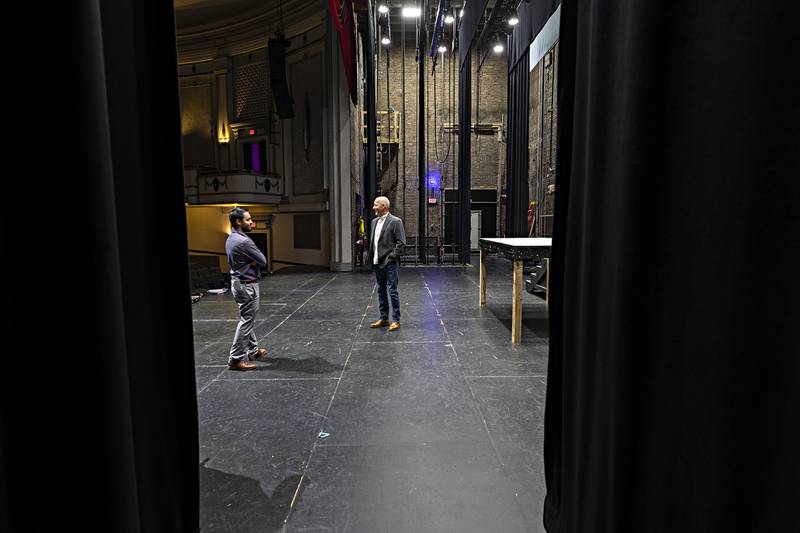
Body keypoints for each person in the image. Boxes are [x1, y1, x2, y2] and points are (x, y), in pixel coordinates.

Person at [225, 207, 268, 370]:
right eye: (248, 219)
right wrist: (252, 261)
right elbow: (263, 260)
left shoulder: (231, 238)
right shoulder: (244, 241)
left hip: (238, 283)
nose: (251, 222)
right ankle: (235, 359)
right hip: (246, 285)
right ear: (238, 221)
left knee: (246, 318)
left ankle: (253, 350)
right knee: (246, 321)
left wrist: (250, 262)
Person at [368, 196, 406, 331]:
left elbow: (401, 242)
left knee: (392, 290)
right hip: (377, 262)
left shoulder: (396, 222)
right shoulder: (374, 222)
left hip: (390, 263)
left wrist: (392, 257)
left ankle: (396, 320)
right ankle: (384, 318)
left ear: (384, 206)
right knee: (381, 290)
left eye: (376, 205)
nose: (373, 208)